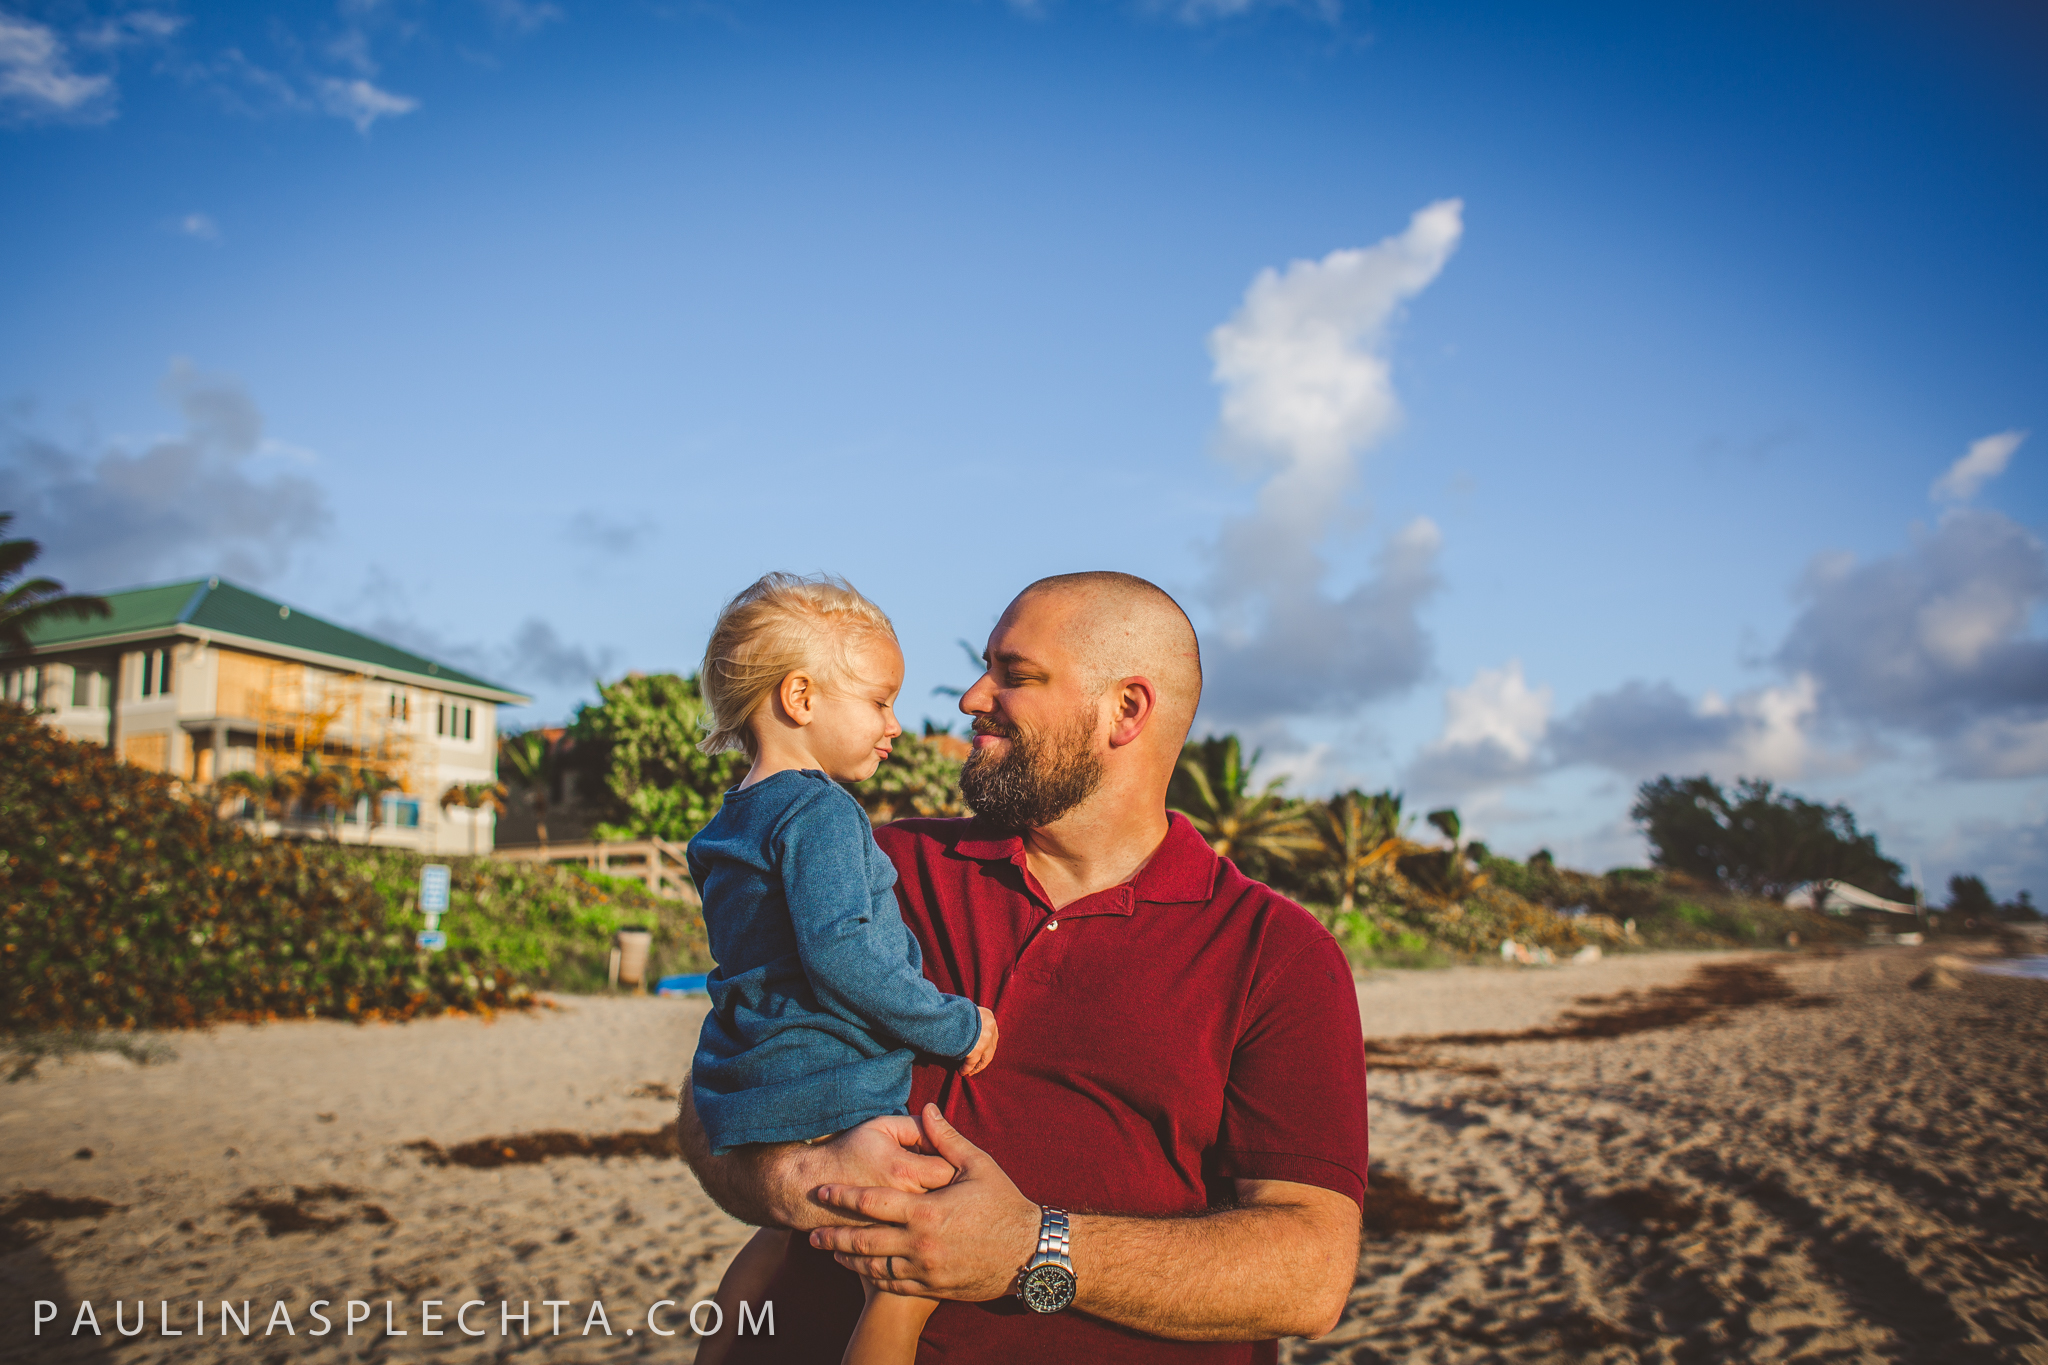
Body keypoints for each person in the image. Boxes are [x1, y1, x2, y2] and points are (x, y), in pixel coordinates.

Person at [678, 571, 1369, 1364]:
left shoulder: (1275, 955)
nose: (972, 696)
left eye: (1015, 674)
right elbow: (711, 1100)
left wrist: (1033, 1250)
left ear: (1126, 710)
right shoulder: (882, 863)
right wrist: (805, 1178)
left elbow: (1309, 1275)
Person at [684, 573, 1001, 1365]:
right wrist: (955, 1025)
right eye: (878, 701)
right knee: (904, 1279)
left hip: (750, 1073)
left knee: (776, 1244)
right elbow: (843, 956)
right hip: (830, 1073)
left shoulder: (733, 817)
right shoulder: (819, 810)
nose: (894, 725)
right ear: (800, 697)